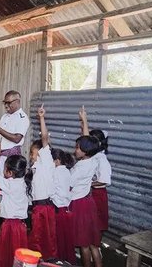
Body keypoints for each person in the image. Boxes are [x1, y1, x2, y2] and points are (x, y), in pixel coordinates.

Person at [0, 152, 33, 267]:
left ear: (10, 172)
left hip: (10, 226)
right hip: (20, 226)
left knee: (6, 256)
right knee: (18, 257)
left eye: (4, 168)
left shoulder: (9, 184)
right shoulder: (25, 183)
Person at [70, 116, 102, 267]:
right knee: (93, 244)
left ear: (85, 150)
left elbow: (68, 183)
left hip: (80, 205)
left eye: (77, 147)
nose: (75, 150)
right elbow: (88, 140)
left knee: (83, 244)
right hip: (89, 203)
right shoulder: (93, 159)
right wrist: (85, 121)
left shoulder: (79, 168)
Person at [27, 105, 57, 259]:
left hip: (45, 209)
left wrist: (41, 118)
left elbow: (45, 139)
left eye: (32, 153)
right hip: (39, 208)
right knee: (37, 241)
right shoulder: (36, 167)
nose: (31, 156)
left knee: (43, 242)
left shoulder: (46, 160)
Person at [79, 107, 111, 233]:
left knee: (96, 228)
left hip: (98, 195)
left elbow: (103, 181)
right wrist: (83, 123)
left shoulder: (101, 159)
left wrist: (87, 183)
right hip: (91, 193)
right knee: (89, 227)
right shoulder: (93, 156)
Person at [0, 90, 30, 174]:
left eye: (8, 102)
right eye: (5, 102)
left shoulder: (22, 118)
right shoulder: (5, 116)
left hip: (10, 155)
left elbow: (17, 139)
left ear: (17, 102)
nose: (6, 105)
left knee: (7, 181)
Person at [50, 148, 76, 264]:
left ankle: (58, 260)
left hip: (57, 208)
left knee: (58, 238)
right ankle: (67, 260)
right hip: (66, 208)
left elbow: (51, 190)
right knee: (66, 237)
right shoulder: (67, 171)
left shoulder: (55, 172)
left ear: (57, 161)